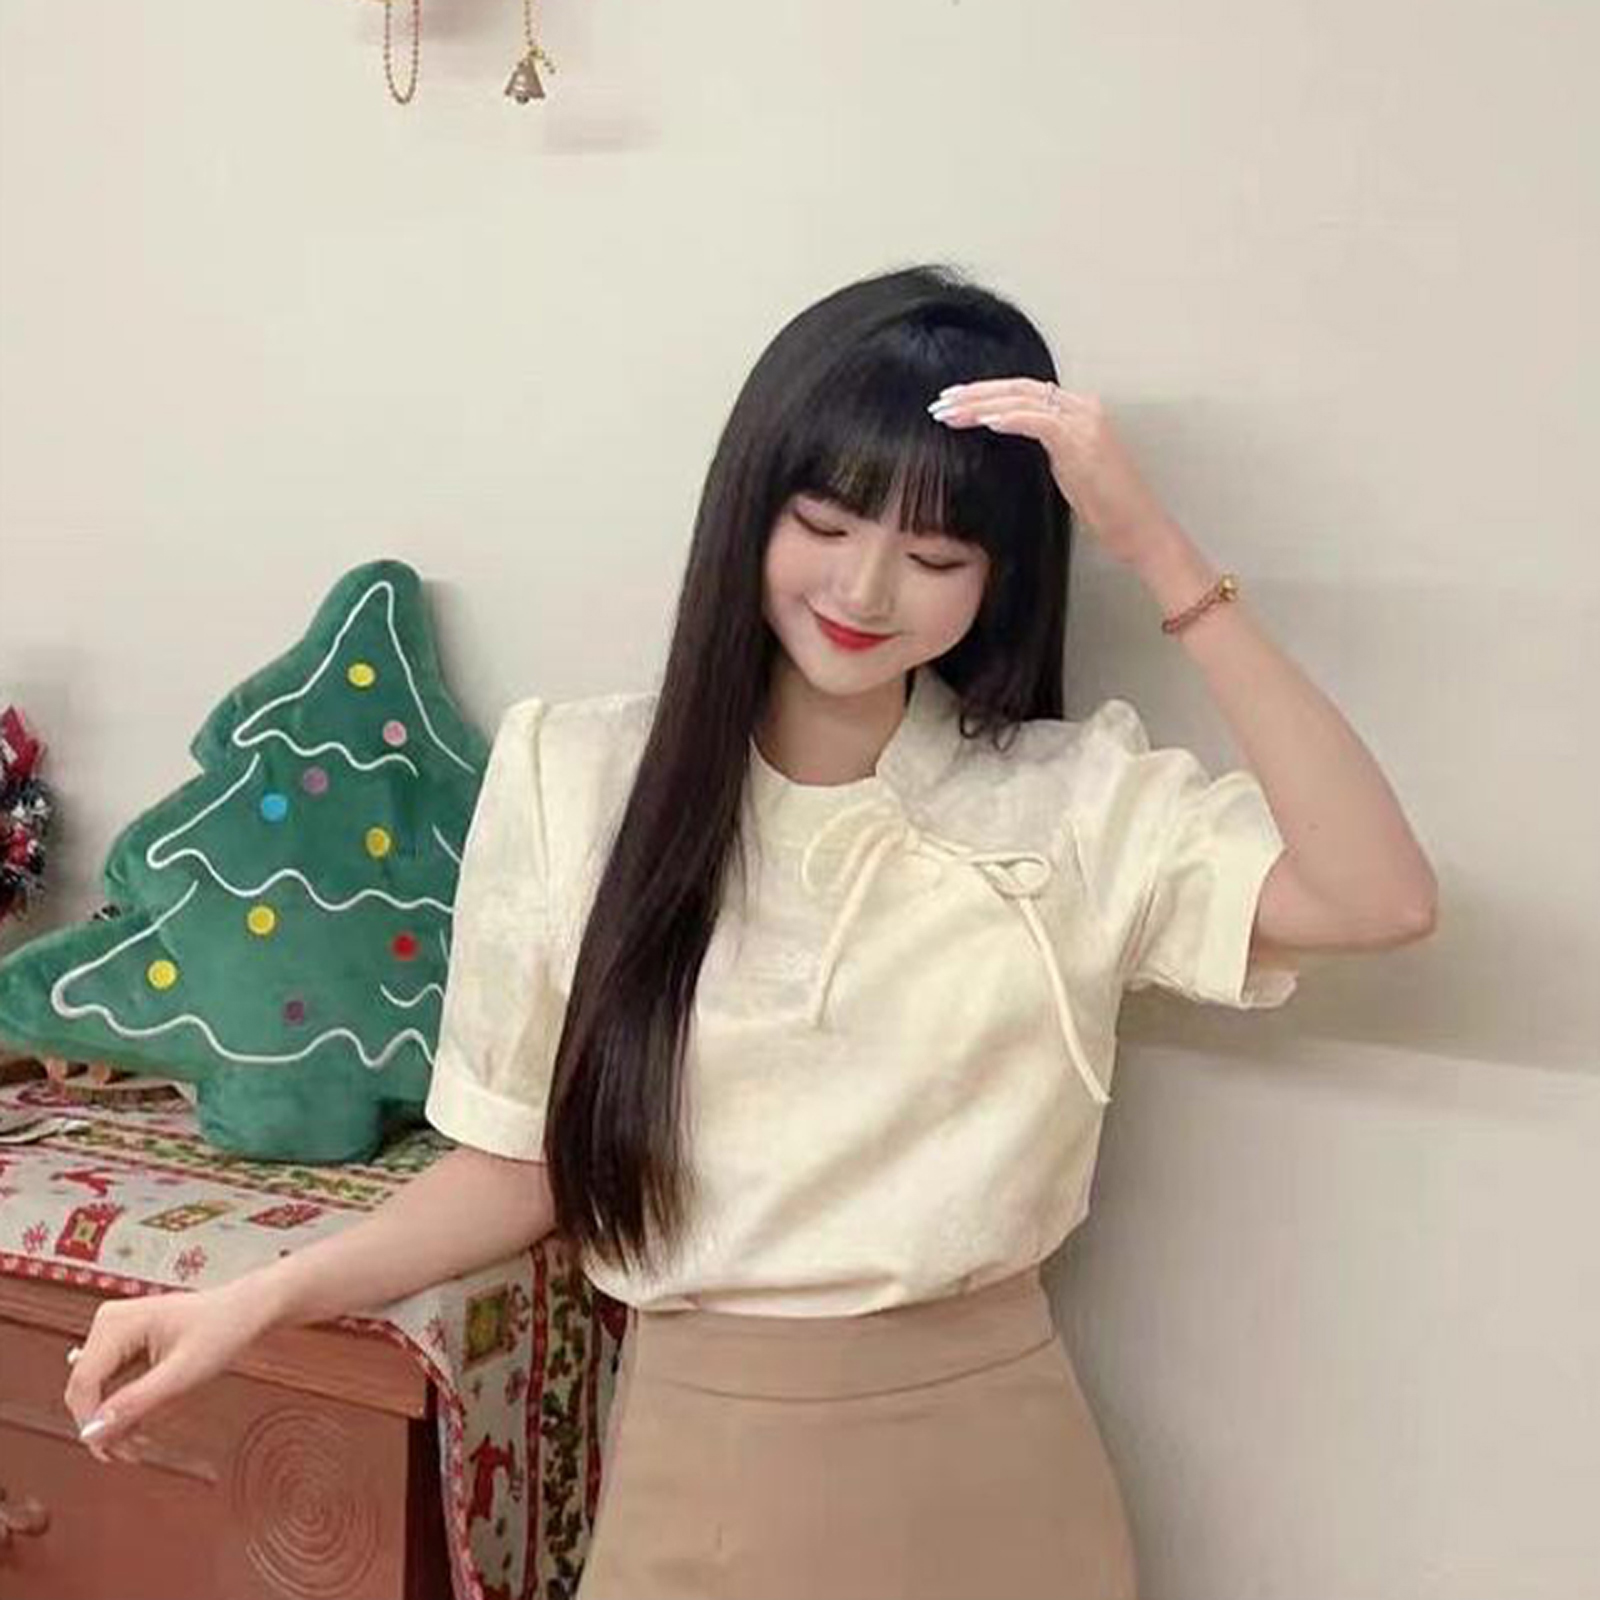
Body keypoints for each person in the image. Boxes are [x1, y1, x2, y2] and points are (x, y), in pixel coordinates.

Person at [63, 263, 1438, 1598]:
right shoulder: (576, 778)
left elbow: (1379, 897)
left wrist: (1158, 553)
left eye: (936, 554)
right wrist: (252, 1300)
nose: (867, 591)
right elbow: (517, 1166)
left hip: (1006, 1486)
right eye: (825, 523)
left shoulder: (1071, 801)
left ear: (997, 577)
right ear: (751, 505)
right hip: (708, 1479)